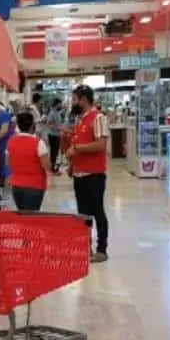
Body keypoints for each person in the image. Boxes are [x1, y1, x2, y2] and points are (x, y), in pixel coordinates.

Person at [68, 85, 109, 263]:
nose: (73, 103)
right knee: (83, 214)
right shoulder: (80, 120)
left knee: (97, 211)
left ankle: (102, 249)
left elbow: (100, 145)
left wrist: (76, 148)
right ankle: (86, 248)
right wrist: (72, 164)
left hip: (94, 175)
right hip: (79, 174)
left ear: (84, 99)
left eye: (75, 99)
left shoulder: (98, 118)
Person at [7, 111, 50, 210]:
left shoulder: (11, 141)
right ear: (32, 125)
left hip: (16, 186)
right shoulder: (38, 143)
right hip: (34, 186)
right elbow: (46, 166)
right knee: (31, 219)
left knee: (22, 215)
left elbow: (8, 162)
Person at [42, 99, 64, 172]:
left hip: (56, 135)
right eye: (60, 104)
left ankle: (53, 166)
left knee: (55, 152)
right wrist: (57, 128)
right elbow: (48, 124)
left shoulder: (57, 112)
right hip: (53, 135)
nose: (61, 105)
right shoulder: (52, 113)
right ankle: (52, 168)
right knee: (53, 152)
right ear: (57, 104)